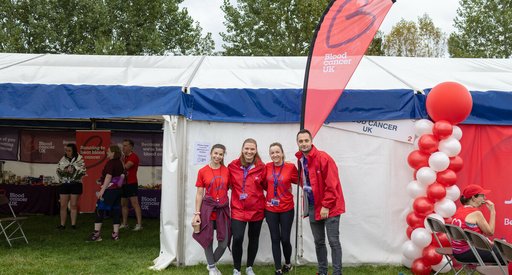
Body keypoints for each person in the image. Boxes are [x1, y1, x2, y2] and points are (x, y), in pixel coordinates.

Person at [295, 129, 345, 275]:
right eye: (301, 141)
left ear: (311, 141)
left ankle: (337, 273)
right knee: (319, 242)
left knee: (333, 242)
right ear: (297, 143)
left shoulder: (324, 158)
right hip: (312, 206)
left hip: (330, 207)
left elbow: (332, 184)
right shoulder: (301, 160)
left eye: (306, 140)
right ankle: (322, 271)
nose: (304, 144)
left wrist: (326, 205)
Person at [228, 138, 266, 275]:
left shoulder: (262, 167)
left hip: (257, 210)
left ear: (256, 150)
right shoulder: (232, 166)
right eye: (247, 149)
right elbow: (227, 183)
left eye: (252, 149)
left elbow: (268, 185)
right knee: (237, 238)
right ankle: (236, 269)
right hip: (238, 209)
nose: (249, 152)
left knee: (253, 238)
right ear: (242, 149)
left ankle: (249, 267)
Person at [192, 144, 231, 275]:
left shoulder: (227, 171)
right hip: (207, 209)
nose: (218, 156)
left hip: (222, 210)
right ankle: (213, 268)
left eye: (220, 154)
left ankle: (211, 264)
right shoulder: (202, 171)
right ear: (211, 153)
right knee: (207, 239)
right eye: (216, 153)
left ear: (223, 155)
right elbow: (199, 193)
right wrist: (197, 213)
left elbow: (231, 188)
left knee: (223, 243)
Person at [264, 142, 298, 275]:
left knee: (285, 238)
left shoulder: (290, 167)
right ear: (270, 155)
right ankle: (278, 268)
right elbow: (263, 183)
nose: (275, 155)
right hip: (270, 209)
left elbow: (299, 180)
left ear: (282, 153)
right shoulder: (266, 167)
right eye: (272, 152)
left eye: (277, 152)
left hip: (287, 208)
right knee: (274, 238)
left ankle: (288, 263)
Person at [451, 184, 504, 264]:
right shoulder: (476, 213)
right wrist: (492, 212)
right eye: (482, 196)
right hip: (468, 252)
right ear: (473, 198)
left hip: (457, 252)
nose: (484, 198)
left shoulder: (459, 210)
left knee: (502, 248)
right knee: (507, 254)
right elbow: (490, 232)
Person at [89, 145, 125, 241]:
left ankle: (96, 234)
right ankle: (115, 234)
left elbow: (108, 177)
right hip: (118, 191)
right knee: (116, 210)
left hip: (110, 190)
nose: (107, 153)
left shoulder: (110, 163)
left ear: (113, 153)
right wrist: (102, 180)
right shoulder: (120, 163)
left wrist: (102, 190)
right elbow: (120, 177)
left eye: (108, 151)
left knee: (99, 210)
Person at [56, 143, 86, 230]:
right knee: (63, 205)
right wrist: (65, 170)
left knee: (73, 205)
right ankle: (62, 225)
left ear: (74, 151)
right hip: (64, 184)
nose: (67, 152)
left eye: (69, 151)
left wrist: (74, 169)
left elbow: (82, 170)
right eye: (66, 150)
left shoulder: (79, 159)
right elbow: (58, 169)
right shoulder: (63, 159)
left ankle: (73, 225)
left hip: (75, 184)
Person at [120, 139, 143, 231]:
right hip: (123, 183)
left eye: (125, 145)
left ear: (131, 147)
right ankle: (125, 223)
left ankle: (139, 224)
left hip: (131, 183)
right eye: (123, 145)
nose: (123, 147)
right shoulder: (124, 157)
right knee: (124, 204)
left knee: (135, 204)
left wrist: (120, 160)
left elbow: (125, 167)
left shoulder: (133, 157)